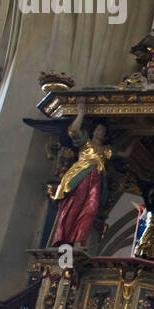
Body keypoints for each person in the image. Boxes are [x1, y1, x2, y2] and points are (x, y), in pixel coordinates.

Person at [51, 100, 113, 248]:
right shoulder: (86, 143)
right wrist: (81, 113)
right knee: (75, 206)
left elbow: (125, 153)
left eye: (103, 132)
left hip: (96, 181)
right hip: (81, 177)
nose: (100, 133)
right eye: (98, 130)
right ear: (93, 132)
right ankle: (65, 239)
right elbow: (74, 130)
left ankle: (79, 241)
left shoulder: (106, 150)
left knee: (90, 209)